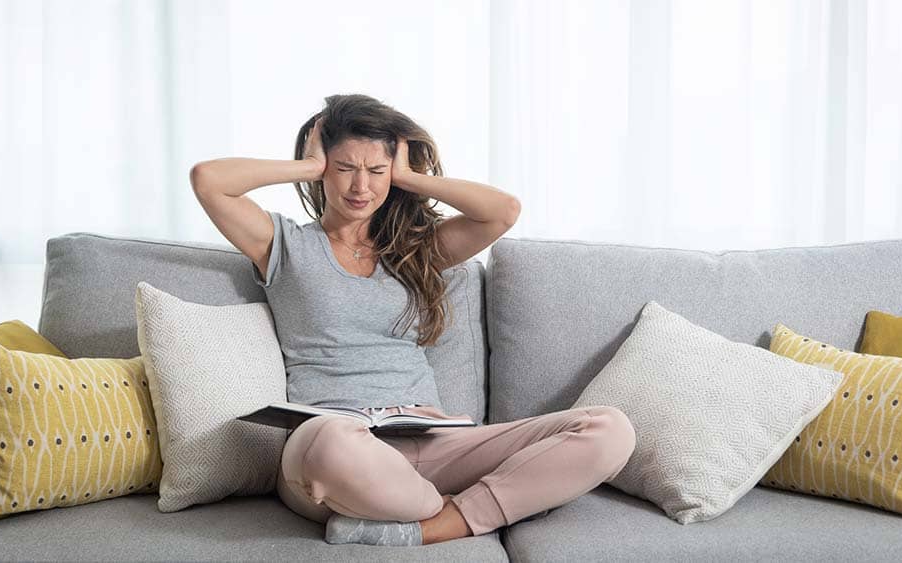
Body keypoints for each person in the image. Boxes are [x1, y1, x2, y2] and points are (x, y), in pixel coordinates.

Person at [190, 93, 636, 546]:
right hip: (336, 445)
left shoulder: (414, 252)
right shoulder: (284, 244)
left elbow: (503, 211)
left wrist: (409, 177)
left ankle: (432, 525)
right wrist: (306, 166)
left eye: (376, 171)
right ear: (324, 169)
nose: (360, 186)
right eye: (344, 168)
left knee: (609, 429)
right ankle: (457, 506)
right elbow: (208, 180)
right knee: (329, 441)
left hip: (434, 441)